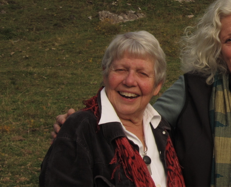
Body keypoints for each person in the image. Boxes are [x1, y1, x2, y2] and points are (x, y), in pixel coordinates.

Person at [53, 0, 231, 187]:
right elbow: (135, 122)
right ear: (217, 47)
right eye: (230, 39)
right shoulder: (193, 89)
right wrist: (84, 128)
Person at [41, 31, 185, 187]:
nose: (130, 81)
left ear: (157, 86)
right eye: (121, 70)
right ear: (105, 74)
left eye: (142, 73)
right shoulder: (80, 129)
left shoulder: (162, 129)